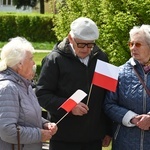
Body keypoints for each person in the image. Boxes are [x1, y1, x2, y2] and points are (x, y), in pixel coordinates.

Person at [36, 17, 112, 150]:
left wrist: (108, 130)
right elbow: (42, 95)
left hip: (93, 138)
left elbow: (108, 96)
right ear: (70, 38)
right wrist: (70, 106)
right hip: (63, 138)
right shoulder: (54, 60)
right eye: (81, 44)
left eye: (90, 45)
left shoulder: (102, 58)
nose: (86, 49)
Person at [0, 37, 58, 150]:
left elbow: (24, 115)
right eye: (31, 59)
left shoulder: (23, 84)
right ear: (20, 64)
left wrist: (45, 124)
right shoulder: (8, 88)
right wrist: (39, 135)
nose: (33, 63)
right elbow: (7, 130)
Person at [104, 24, 150, 150]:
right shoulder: (116, 72)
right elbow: (108, 105)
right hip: (125, 143)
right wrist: (133, 119)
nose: (133, 48)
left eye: (138, 44)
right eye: (131, 44)